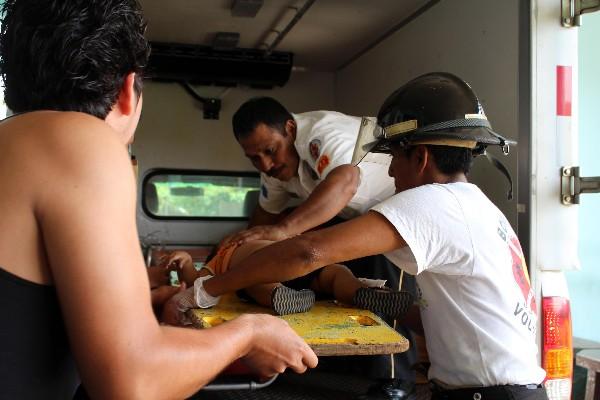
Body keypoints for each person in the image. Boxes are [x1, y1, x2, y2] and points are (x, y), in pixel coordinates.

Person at [0, 1, 317, 399]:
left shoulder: (14, 142)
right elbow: (134, 382)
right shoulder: (83, 141)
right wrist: (249, 334)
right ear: (127, 91)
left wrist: (144, 308)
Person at [194, 72, 550, 399]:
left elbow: (308, 253)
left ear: (421, 157)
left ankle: (389, 383)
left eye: (393, 157)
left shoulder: (435, 202)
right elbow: (453, 318)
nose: (390, 171)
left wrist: (209, 288)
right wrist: (365, 298)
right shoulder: (478, 207)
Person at [224, 96, 418, 382]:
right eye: (254, 157)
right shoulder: (275, 167)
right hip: (357, 217)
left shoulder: (324, 135)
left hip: (397, 212)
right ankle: (342, 366)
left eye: (269, 151)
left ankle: (395, 383)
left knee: (382, 292)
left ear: (290, 128)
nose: (264, 164)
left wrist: (282, 232)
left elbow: (344, 183)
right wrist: (242, 251)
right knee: (344, 287)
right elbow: (264, 217)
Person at [159, 243, 413, 323]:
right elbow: (198, 283)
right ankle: (361, 290)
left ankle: (281, 295)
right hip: (297, 260)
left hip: (273, 267)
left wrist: (188, 265)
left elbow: (199, 285)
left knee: (254, 282)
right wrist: (187, 264)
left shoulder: (224, 259)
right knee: (335, 273)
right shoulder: (219, 263)